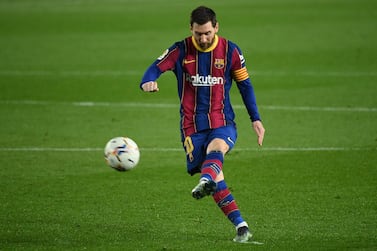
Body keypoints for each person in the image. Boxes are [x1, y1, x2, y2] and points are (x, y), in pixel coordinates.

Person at [139, 6, 265, 243]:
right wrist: (148, 81)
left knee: (216, 149)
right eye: (199, 33)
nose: (204, 38)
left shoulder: (230, 51)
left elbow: (245, 86)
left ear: (216, 27)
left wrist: (255, 119)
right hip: (192, 128)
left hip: (222, 120)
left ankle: (205, 180)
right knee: (218, 179)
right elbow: (154, 68)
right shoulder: (180, 50)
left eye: (207, 32)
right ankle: (241, 226)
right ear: (191, 29)